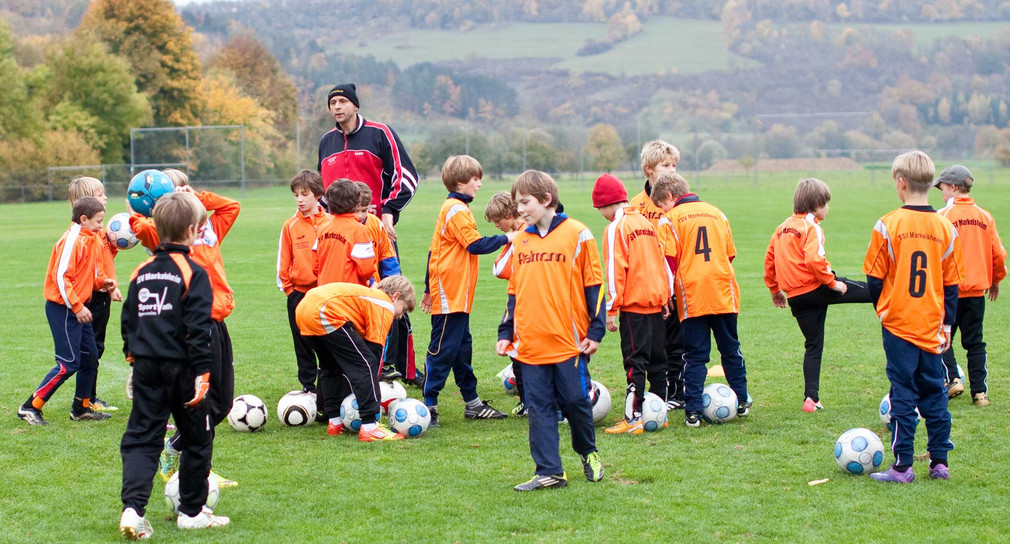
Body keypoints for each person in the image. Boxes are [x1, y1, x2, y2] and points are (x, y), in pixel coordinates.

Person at [119, 192, 230, 538]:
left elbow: (129, 320)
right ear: (194, 230)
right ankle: (192, 512)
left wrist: (133, 360)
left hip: (147, 367)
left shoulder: (141, 270)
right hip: (183, 369)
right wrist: (203, 373)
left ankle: (132, 510)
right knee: (198, 437)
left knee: (141, 437)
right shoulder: (193, 271)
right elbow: (198, 328)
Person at [129, 175, 240, 487]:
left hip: (218, 323)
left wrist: (199, 197)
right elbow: (135, 220)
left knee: (222, 403)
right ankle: (196, 468)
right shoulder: (159, 235)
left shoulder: (209, 231)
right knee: (202, 403)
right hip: (194, 327)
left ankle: (180, 450)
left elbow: (232, 206)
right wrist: (148, 206)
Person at [497, 170, 605, 491]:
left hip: (568, 341)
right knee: (539, 407)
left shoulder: (578, 233)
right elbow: (514, 291)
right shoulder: (520, 239)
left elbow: (594, 285)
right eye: (517, 204)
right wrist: (506, 331)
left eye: (525, 202)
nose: (520, 210)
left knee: (573, 401)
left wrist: (595, 331)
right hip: (529, 342)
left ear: (546, 199)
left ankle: (588, 452)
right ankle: (549, 471)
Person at [864, 151, 964, 483]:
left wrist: (884, 310)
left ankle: (903, 467)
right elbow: (952, 284)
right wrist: (947, 323)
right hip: (932, 324)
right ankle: (939, 463)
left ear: (901, 182)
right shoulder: (945, 227)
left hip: (899, 325)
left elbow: (874, 279)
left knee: (902, 392)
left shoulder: (888, 224)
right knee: (935, 391)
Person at [317, 83, 419, 392]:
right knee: (344, 300)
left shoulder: (379, 133)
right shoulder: (326, 141)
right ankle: (355, 368)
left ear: (355, 105)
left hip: (377, 231)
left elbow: (406, 176)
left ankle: (401, 366)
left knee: (391, 294)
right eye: (333, 102)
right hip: (339, 235)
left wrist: (389, 211)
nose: (337, 107)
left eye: (343, 101)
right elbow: (325, 190)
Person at [651, 174, 751, 428]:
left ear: (670, 197)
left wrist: (666, 295)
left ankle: (693, 411)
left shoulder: (670, 219)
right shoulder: (718, 213)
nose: (662, 210)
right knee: (731, 348)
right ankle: (741, 400)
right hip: (723, 292)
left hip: (692, 295)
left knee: (695, 355)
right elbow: (729, 254)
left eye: (661, 204)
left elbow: (668, 262)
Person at [420, 155, 513, 426]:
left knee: (462, 350)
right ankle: (430, 405)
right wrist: (509, 237)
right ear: (461, 182)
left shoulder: (456, 207)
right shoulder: (456, 210)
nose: (479, 184)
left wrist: (427, 287)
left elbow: (433, 250)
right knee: (443, 350)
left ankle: (472, 404)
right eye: (475, 179)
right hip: (451, 294)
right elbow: (475, 245)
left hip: (457, 295)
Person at [763, 178, 870, 412]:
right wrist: (832, 283)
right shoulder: (812, 228)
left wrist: (774, 291)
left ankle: (811, 399)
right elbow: (813, 259)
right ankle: (893, 309)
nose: (828, 207)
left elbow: (769, 261)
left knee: (813, 345)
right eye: (827, 203)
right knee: (869, 290)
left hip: (795, 297)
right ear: (816, 204)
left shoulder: (781, 228)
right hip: (816, 288)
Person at [18, 197, 115, 425]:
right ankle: (30, 407)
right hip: (64, 309)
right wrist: (77, 306)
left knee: (90, 357)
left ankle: (80, 409)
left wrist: (103, 283)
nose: (102, 225)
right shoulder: (73, 239)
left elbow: (86, 273)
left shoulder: (89, 238)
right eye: (98, 221)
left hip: (77, 308)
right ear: (83, 219)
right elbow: (61, 278)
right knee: (69, 362)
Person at [592, 174, 673, 434]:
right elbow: (662, 265)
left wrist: (611, 308)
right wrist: (664, 299)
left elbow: (616, 268)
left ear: (606, 205)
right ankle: (660, 413)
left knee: (634, 363)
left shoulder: (617, 227)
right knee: (659, 362)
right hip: (655, 302)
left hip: (633, 306)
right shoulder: (647, 223)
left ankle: (633, 417)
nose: (601, 214)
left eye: (599, 209)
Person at [295, 276, 418, 441]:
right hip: (325, 311)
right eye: (403, 310)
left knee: (330, 367)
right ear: (395, 296)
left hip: (304, 309)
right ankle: (370, 426)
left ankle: (335, 422)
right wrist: (370, 391)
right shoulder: (384, 303)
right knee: (366, 364)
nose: (400, 316)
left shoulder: (368, 297)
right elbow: (374, 351)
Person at [935, 165, 1006, 406]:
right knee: (975, 342)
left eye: (943, 188)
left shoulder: (942, 216)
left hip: (949, 290)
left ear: (954, 188)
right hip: (976, 291)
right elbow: (998, 253)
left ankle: (953, 378)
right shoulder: (985, 216)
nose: (942, 194)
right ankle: (980, 394)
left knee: (942, 338)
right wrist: (995, 279)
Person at [631, 140, 686, 411]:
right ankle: (654, 393)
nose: (672, 170)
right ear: (648, 169)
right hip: (648, 288)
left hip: (676, 284)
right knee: (652, 346)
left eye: (675, 165)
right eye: (666, 165)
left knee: (677, 341)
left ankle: (677, 389)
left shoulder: (679, 204)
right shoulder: (636, 206)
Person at [68, 176, 122, 412]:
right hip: (91, 296)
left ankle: (89, 396)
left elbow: (106, 261)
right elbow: (92, 267)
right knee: (91, 349)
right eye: (100, 194)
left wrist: (115, 243)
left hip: (102, 293)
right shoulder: (84, 236)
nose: (105, 197)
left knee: (95, 347)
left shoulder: (98, 232)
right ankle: (87, 399)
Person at [277, 170, 331, 399]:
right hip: (299, 293)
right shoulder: (290, 226)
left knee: (327, 343)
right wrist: (290, 290)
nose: (299, 199)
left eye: (304, 194)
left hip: (326, 294)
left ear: (318, 195)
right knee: (302, 343)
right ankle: (308, 386)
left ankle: (329, 386)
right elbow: (283, 261)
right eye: (296, 195)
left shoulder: (331, 222)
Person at [352, 181, 406, 382]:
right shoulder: (347, 226)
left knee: (388, 321)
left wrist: (391, 288)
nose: (361, 215)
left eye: (365, 210)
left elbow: (388, 258)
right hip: (354, 290)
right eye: (357, 210)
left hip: (376, 289)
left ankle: (385, 366)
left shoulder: (376, 224)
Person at [485, 191, 528, 417]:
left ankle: (527, 401)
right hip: (528, 297)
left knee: (518, 351)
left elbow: (499, 268)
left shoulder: (520, 235)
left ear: (510, 214)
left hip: (521, 299)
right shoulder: (528, 230)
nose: (496, 226)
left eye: (497, 221)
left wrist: (509, 239)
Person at [313, 180, 376, 287]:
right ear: (356, 203)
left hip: (325, 291)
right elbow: (366, 269)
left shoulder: (322, 229)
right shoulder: (360, 231)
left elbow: (315, 266)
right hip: (349, 293)